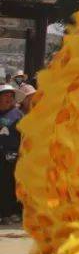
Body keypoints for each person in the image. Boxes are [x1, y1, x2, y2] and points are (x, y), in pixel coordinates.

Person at [0, 85, 23, 225]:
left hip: (12, 156)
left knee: (10, 184)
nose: (8, 99)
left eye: (11, 96)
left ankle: (9, 213)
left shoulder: (18, 115)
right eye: (5, 96)